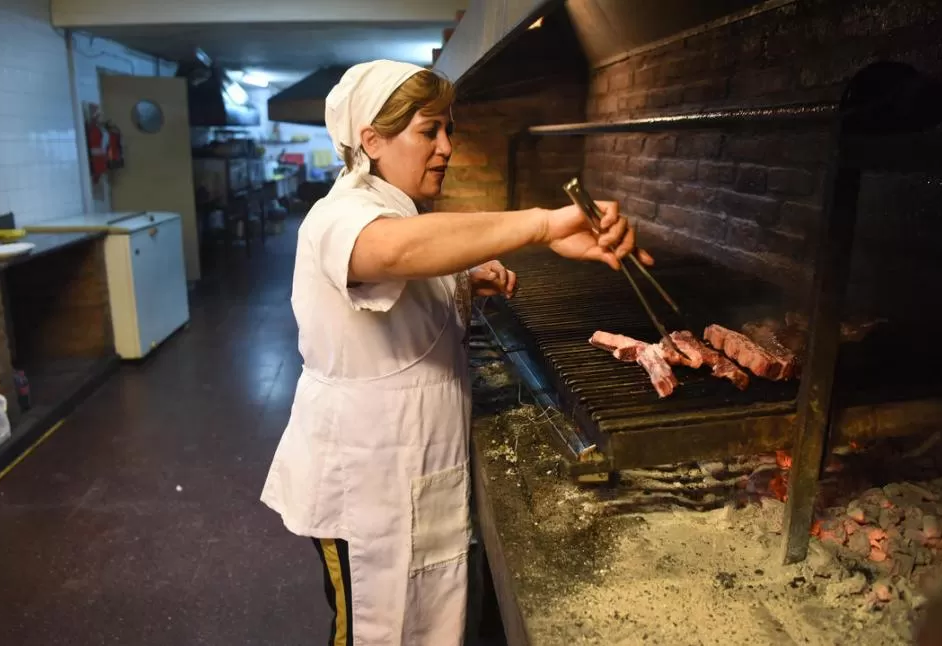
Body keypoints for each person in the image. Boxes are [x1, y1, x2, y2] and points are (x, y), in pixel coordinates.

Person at [260, 59, 652, 646]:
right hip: (367, 480)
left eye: (450, 130)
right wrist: (543, 225)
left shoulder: (398, 209)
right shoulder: (340, 212)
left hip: (409, 468)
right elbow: (387, 254)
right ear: (372, 139)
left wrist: (465, 277)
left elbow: (408, 270)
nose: (446, 147)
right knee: (371, 633)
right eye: (429, 131)